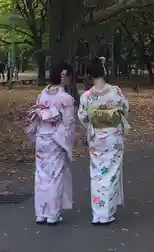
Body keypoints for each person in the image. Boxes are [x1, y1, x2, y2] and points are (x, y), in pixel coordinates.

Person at [78, 57, 129, 225]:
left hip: (96, 137)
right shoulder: (116, 92)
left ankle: (98, 213)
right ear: (104, 71)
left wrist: (93, 124)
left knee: (97, 174)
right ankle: (107, 212)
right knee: (112, 172)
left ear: (90, 75)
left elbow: (83, 117)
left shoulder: (87, 96)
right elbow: (124, 110)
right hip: (113, 136)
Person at [26, 63, 76, 225]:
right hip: (56, 139)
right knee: (55, 177)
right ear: (65, 76)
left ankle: (41, 213)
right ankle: (53, 214)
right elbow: (68, 122)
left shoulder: (43, 94)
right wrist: (69, 142)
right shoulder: (65, 99)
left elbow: (39, 112)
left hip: (42, 138)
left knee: (41, 175)